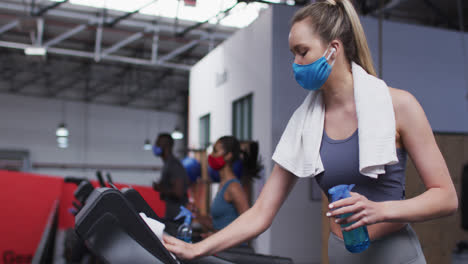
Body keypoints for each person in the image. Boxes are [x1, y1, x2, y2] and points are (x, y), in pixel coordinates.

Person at [163, 1, 458, 263]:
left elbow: (445, 198)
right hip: (341, 253)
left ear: (334, 49)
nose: (295, 64)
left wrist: (381, 211)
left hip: (394, 254)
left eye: (302, 52)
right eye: (293, 53)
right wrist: (197, 249)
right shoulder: (305, 123)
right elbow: (261, 212)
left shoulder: (399, 106)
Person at [193, 136, 250, 240]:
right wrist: (196, 215)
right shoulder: (223, 185)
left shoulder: (234, 187)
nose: (211, 155)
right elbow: (219, 225)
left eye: (215, 151)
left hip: (234, 251)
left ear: (228, 156)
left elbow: (248, 225)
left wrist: (216, 235)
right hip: (222, 248)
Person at [152, 133, 189, 222]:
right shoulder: (168, 164)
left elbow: (178, 192)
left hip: (177, 217)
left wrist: (161, 188)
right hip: (172, 214)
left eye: (158, 144)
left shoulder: (174, 165)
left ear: (166, 146)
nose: (155, 146)